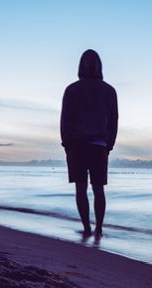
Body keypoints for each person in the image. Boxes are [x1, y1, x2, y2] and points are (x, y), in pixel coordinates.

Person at [60, 49, 118, 238]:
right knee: (98, 189)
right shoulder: (109, 91)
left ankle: (86, 228)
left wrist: (67, 144)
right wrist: (109, 145)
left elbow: (65, 120)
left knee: (81, 188)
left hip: (77, 146)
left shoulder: (72, 89)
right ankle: (99, 229)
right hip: (99, 146)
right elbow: (113, 121)